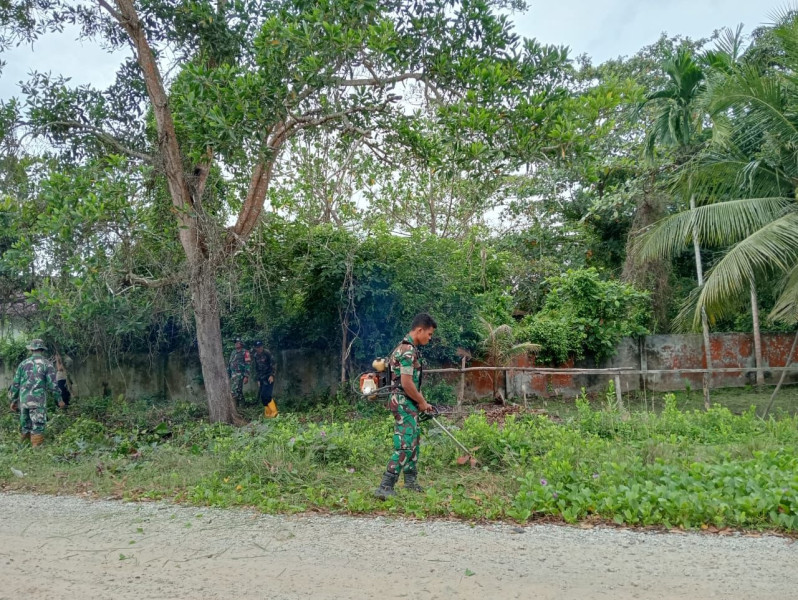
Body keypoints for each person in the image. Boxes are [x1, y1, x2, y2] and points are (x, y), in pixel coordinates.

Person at [374, 313, 437, 499]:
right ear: (419, 330)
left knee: (414, 440)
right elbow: (407, 383)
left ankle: (410, 482)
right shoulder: (407, 351)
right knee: (405, 443)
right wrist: (422, 402)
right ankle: (385, 486)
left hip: (407, 400)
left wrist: (420, 401)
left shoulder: (406, 348)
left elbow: (410, 384)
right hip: (402, 402)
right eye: (429, 334)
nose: (430, 338)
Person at [8, 339, 61, 446]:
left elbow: (15, 385)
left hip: (24, 401)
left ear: (31, 349)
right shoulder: (47, 364)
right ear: (42, 350)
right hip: (38, 401)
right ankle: (36, 451)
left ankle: (25, 449)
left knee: (25, 425)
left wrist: (13, 401)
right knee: (38, 425)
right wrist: (59, 400)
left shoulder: (23, 364)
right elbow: (53, 385)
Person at [252, 341, 278, 418]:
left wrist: (272, 375)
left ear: (262, 346)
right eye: (257, 347)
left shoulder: (267, 353)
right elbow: (256, 368)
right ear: (255, 348)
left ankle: (274, 412)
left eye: (260, 346)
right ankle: (268, 414)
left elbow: (273, 364)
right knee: (263, 396)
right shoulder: (256, 355)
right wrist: (258, 380)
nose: (259, 348)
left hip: (268, 377)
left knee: (267, 395)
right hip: (261, 378)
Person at [227, 338, 250, 406]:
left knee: (234, 391)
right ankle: (242, 405)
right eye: (235, 342)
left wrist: (246, 376)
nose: (236, 344)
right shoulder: (233, 352)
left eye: (237, 342)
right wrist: (228, 374)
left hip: (240, 374)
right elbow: (230, 363)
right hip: (233, 374)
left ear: (241, 343)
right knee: (239, 391)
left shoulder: (245, 352)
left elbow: (248, 364)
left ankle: (235, 406)